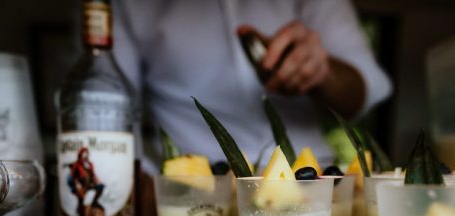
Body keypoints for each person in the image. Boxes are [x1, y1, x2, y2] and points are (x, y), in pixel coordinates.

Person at [112, 0, 393, 173]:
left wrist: (322, 73)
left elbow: (370, 88)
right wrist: (148, 191)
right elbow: (109, 107)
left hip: (312, 177)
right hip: (200, 186)